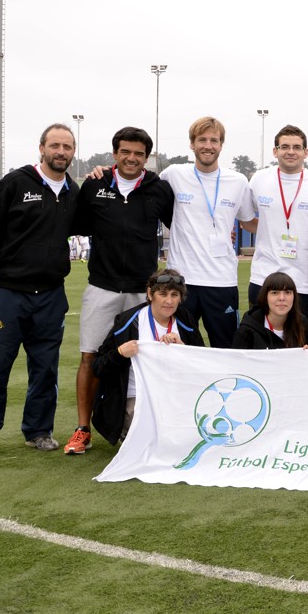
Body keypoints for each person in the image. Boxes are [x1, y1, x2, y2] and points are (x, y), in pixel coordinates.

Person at [0, 123, 79, 459]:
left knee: (45, 369)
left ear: (73, 153)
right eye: (55, 145)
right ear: (41, 148)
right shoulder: (16, 182)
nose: (61, 152)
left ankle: (38, 430)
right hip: (9, 293)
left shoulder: (73, 191)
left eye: (67, 147)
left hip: (50, 295)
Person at [66, 126, 174, 456]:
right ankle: (83, 429)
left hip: (144, 292)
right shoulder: (95, 183)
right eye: (125, 152)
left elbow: (176, 227)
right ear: (115, 153)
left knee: (149, 356)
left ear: (147, 157)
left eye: (139, 154)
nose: (131, 158)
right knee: (90, 356)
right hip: (102, 286)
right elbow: (77, 225)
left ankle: (152, 424)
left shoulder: (159, 189)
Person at [159, 116, 254, 348]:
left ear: (221, 145)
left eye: (214, 140)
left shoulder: (238, 181)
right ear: (192, 144)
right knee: (178, 350)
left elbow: (249, 222)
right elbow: (139, 183)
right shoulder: (173, 174)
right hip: (182, 281)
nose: (207, 145)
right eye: (201, 139)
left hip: (222, 281)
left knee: (227, 349)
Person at [90, 269, 204, 446]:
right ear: (150, 294)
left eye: (175, 295)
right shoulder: (128, 321)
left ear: (181, 298)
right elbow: (98, 366)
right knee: (152, 440)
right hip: (137, 398)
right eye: (163, 294)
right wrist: (120, 353)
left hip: (173, 397)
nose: (169, 301)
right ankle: (128, 431)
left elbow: (201, 363)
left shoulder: (186, 321)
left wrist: (182, 348)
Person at [246, 124, 308, 347]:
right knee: (259, 346)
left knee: (306, 347)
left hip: (306, 282)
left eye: (297, 147)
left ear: (306, 152)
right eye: (284, 146)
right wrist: (269, 231)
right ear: (275, 151)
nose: (290, 151)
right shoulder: (259, 179)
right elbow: (246, 220)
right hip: (263, 279)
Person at [233, 271, 308, 350]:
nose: (282, 298)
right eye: (275, 293)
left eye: (287, 292)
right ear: (265, 297)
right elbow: (237, 362)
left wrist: (307, 356)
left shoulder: (303, 325)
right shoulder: (247, 330)